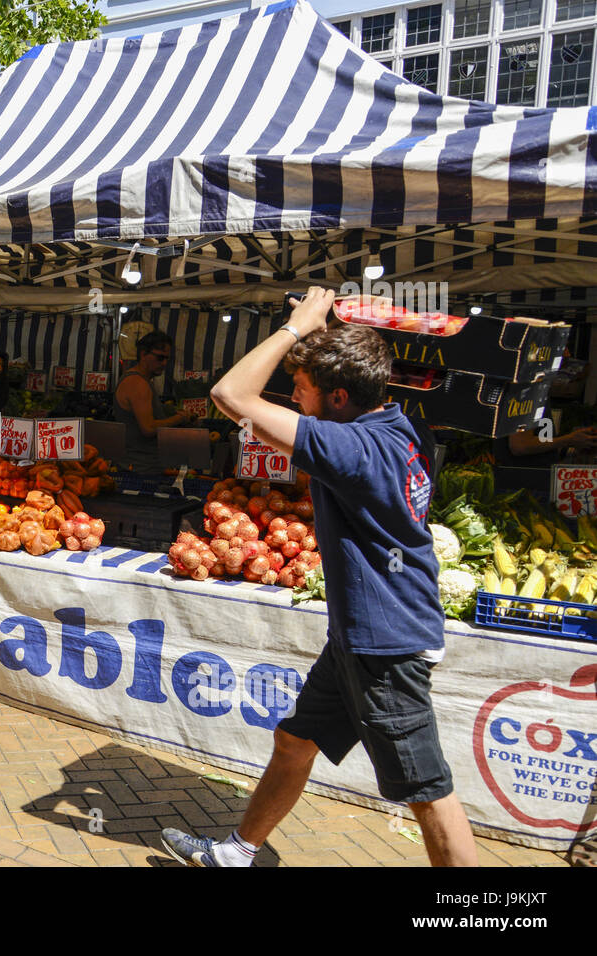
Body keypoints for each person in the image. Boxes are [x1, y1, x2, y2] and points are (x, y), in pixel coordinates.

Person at [160, 287, 477, 868]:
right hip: (362, 635)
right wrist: (323, 340)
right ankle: (237, 853)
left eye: (302, 392)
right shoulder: (402, 427)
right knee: (295, 739)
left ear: (337, 396)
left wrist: (294, 328)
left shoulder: (350, 448)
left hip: (387, 644)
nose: (296, 402)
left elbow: (230, 394)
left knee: (428, 792)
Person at [113, 331, 196, 472]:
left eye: (167, 359)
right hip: (141, 469)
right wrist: (179, 418)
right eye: (160, 358)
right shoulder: (138, 383)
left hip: (142, 465)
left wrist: (169, 411)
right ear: (143, 354)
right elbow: (149, 428)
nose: (164, 363)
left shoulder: (138, 380)